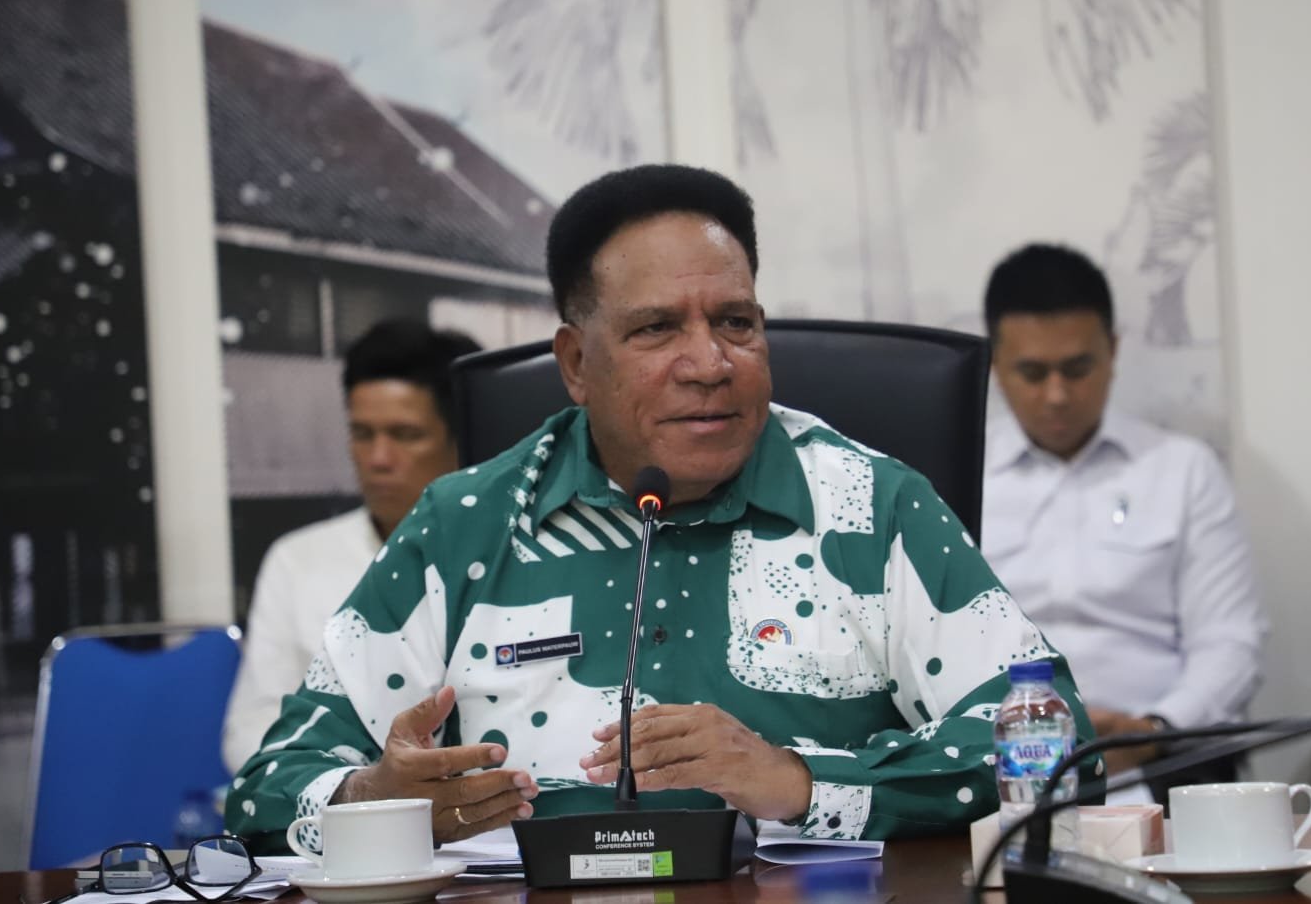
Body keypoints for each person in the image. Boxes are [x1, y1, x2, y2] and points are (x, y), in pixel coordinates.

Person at [226, 164, 1096, 847]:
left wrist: (801, 783)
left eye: (736, 322)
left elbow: (1053, 746)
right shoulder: (464, 525)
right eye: (656, 329)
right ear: (576, 364)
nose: (710, 363)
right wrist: (373, 799)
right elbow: (268, 790)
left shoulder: (870, 505)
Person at [979, 244, 1265, 792]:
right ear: (994, 364)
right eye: (1033, 373)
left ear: (1112, 351)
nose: (1057, 395)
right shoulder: (957, 478)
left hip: (1162, 764)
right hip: (997, 768)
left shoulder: (1183, 470)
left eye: (1077, 369)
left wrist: (1154, 729)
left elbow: (1229, 640)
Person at [221, 318, 480, 772]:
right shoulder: (298, 561)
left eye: (406, 435)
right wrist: (360, 787)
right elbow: (250, 731)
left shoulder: (514, 557)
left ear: (462, 438)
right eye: (362, 434)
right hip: (341, 805)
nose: (378, 459)